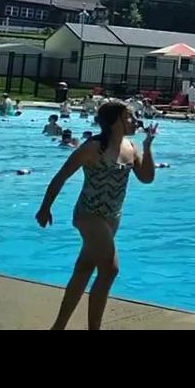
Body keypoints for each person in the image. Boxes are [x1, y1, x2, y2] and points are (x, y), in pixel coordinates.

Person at [36, 102, 157, 330]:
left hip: (112, 217)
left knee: (84, 269)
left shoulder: (130, 146)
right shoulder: (93, 148)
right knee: (110, 269)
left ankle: (58, 326)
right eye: (130, 117)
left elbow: (147, 178)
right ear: (117, 120)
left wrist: (148, 147)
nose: (135, 121)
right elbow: (61, 177)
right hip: (88, 214)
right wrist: (45, 208)